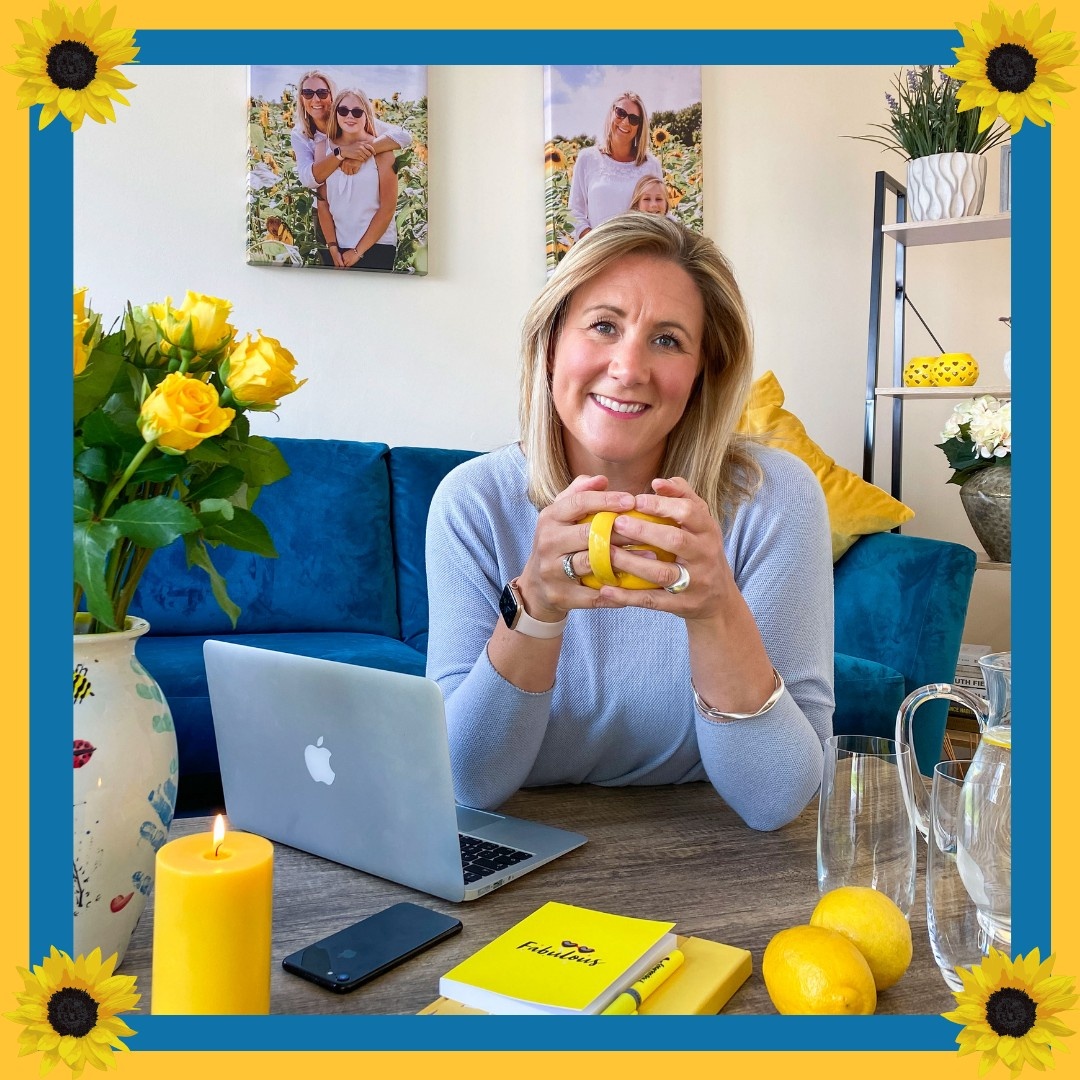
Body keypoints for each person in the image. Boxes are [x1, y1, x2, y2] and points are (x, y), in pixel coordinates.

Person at [425, 214, 834, 832]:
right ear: (551, 342)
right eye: (604, 326)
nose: (629, 367)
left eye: (667, 340)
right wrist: (535, 604)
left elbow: (776, 799)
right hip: (521, 850)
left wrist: (716, 610)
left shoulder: (774, 499)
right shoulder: (473, 501)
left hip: (709, 852)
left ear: (703, 371)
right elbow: (466, 782)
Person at [288, 69, 411, 265]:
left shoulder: (357, 122)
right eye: (308, 93)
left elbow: (404, 136)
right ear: (301, 98)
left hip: (376, 242)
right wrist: (342, 153)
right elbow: (310, 182)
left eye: (322, 92)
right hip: (332, 227)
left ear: (332, 96)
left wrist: (361, 153)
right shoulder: (307, 138)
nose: (316, 99)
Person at [315, 88, 398, 271]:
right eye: (343, 110)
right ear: (335, 113)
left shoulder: (383, 152)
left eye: (357, 111)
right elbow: (322, 203)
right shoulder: (324, 148)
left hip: (378, 246)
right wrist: (332, 247)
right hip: (338, 248)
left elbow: (388, 208)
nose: (350, 116)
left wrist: (358, 251)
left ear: (367, 114)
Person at [567, 92, 663, 242]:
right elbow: (574, 214)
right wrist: (597, 244)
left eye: (633, 119)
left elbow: (662, 212)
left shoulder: (651, 165)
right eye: (620, 113)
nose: (625, 122)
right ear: (612, 112)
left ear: (640, 127)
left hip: (641, 250)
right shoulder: (587, 159)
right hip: (599, 251)